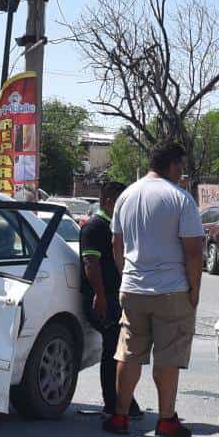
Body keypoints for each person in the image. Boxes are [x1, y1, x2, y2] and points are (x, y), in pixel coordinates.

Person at [104, 142, 205, 437]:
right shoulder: (180, 199)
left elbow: (116, 245)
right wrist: (195, 289)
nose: (182, 172)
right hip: (171, 291)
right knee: (168, 356)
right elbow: (194, 251)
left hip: (133, 288)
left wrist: (127, 276)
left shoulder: (126, 196)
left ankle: (120, 416)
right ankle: (166, 421)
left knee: (129, 352)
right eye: (180, 166)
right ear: (172, 165)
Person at [78, 180, 141, 419]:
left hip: (116, 297)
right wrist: (100, 296)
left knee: (119, 349)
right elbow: (90, 263)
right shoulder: (95, 228)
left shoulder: (115, 227)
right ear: (108, 202)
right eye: (121, 202)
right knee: (113, 350)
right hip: (103, 299)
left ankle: (122, 400)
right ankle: (113, 403)